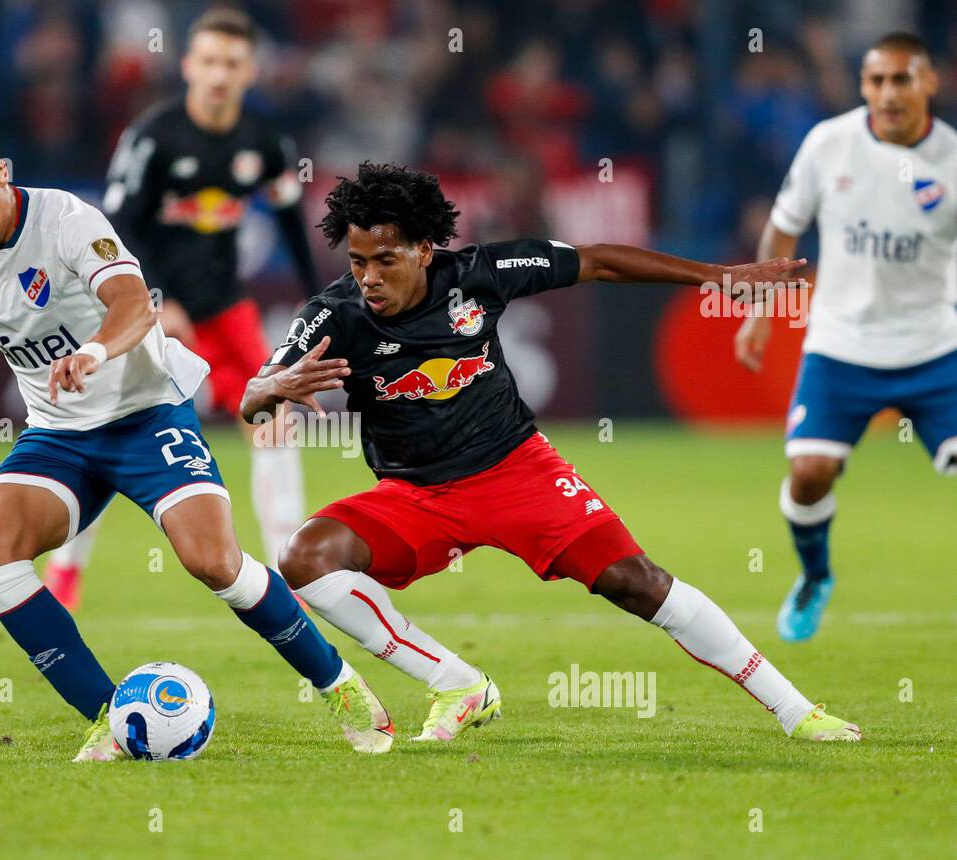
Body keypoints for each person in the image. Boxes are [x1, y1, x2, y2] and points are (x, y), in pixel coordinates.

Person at [243, 161, 861, 744]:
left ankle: (797, 711)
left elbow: (598, 263)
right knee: (305, 556)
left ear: (425, 250)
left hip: (517, 471)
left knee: (636, 582)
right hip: (414, 496)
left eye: (385, 259)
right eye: (357, 262)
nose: (369, 277)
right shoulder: (332, 316)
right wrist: (273, 389)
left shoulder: (479, 274)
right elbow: (254, 397)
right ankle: (457, 684)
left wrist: (717, 278)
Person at [0, 111, 395, 761]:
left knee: (213, 562)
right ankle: (107, 719)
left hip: (146, 413)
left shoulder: (68, 222)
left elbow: (135, 306)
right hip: (60, 435)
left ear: (1, 173)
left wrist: (95, 356)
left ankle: (341, 686)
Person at [42, 7, 317, 611]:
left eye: (233, 64)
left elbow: (293, 217)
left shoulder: (265, 142)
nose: (220, 75)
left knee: (273, 419)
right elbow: (112, 229)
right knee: (115, 430)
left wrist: (313, 293)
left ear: (250, 72)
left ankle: (289, 569)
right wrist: (155, 301)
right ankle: (66, 570)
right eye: (210, 61)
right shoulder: (152, 137)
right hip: (149, 310)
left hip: (225, 305)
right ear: (190, 66)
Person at [734, 31, 957, 642]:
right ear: (863, 85)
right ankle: (815, 577)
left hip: (935, 347)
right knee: (809, 471)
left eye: (902, 79)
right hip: (842, 345)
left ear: (928, 83)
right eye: (876, 80)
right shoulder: (828, 144)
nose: (888, 93)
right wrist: (759, 308)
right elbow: (783, 230)